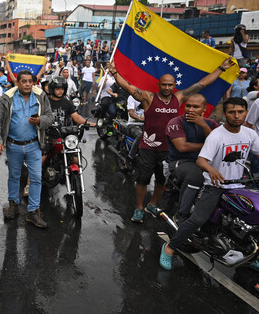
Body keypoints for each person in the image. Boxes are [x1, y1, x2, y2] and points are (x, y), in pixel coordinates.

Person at [107, 57, 234, 223]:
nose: (167, 87)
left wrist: (221, 68)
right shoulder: (148, 97)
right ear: (159, 85)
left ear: (174, 86)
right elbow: (128, 87)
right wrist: (114, 72)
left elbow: (202, 84)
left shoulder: (179, 97)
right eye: (164, 84)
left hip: (169, 148)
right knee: (143, 179)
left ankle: (152, 204)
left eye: (170, 85)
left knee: (161, 179)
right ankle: (139, 208)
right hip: (148, 146)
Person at [160, 97, 259, 270]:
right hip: (214, 186)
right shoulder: (216, 135)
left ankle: (250, 254)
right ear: (226, 114)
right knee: (197, 220)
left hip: (237, 185)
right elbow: (201, 160)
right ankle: (169, 248)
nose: (236, 116)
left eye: (240, 112)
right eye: (231, 112)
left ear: (246, 112)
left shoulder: (250, 134)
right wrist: (211, 170)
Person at [0, 69, 53, 228]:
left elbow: (50, 117)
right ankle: (13, 205)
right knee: (14, 176)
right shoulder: (7, 98)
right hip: (13, 146)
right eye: (23, 81)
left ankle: (33, 212)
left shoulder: (41, 96)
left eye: (29, 81)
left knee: (37, 178)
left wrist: (40, 120)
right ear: (17, 82)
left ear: (33, 82)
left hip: (33, 145)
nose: (27, 84)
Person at [165, 94, 218, 223]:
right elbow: (182, 147)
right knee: (196, 176)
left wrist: (204, 126)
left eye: (196, 107)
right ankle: (181, 215)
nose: (191, 109)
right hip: (180, 162)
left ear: (204, 109)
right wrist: (209, 146)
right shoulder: (176, 122)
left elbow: (219, 143)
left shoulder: (211, 123)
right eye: (188, 106)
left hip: (205, 162)